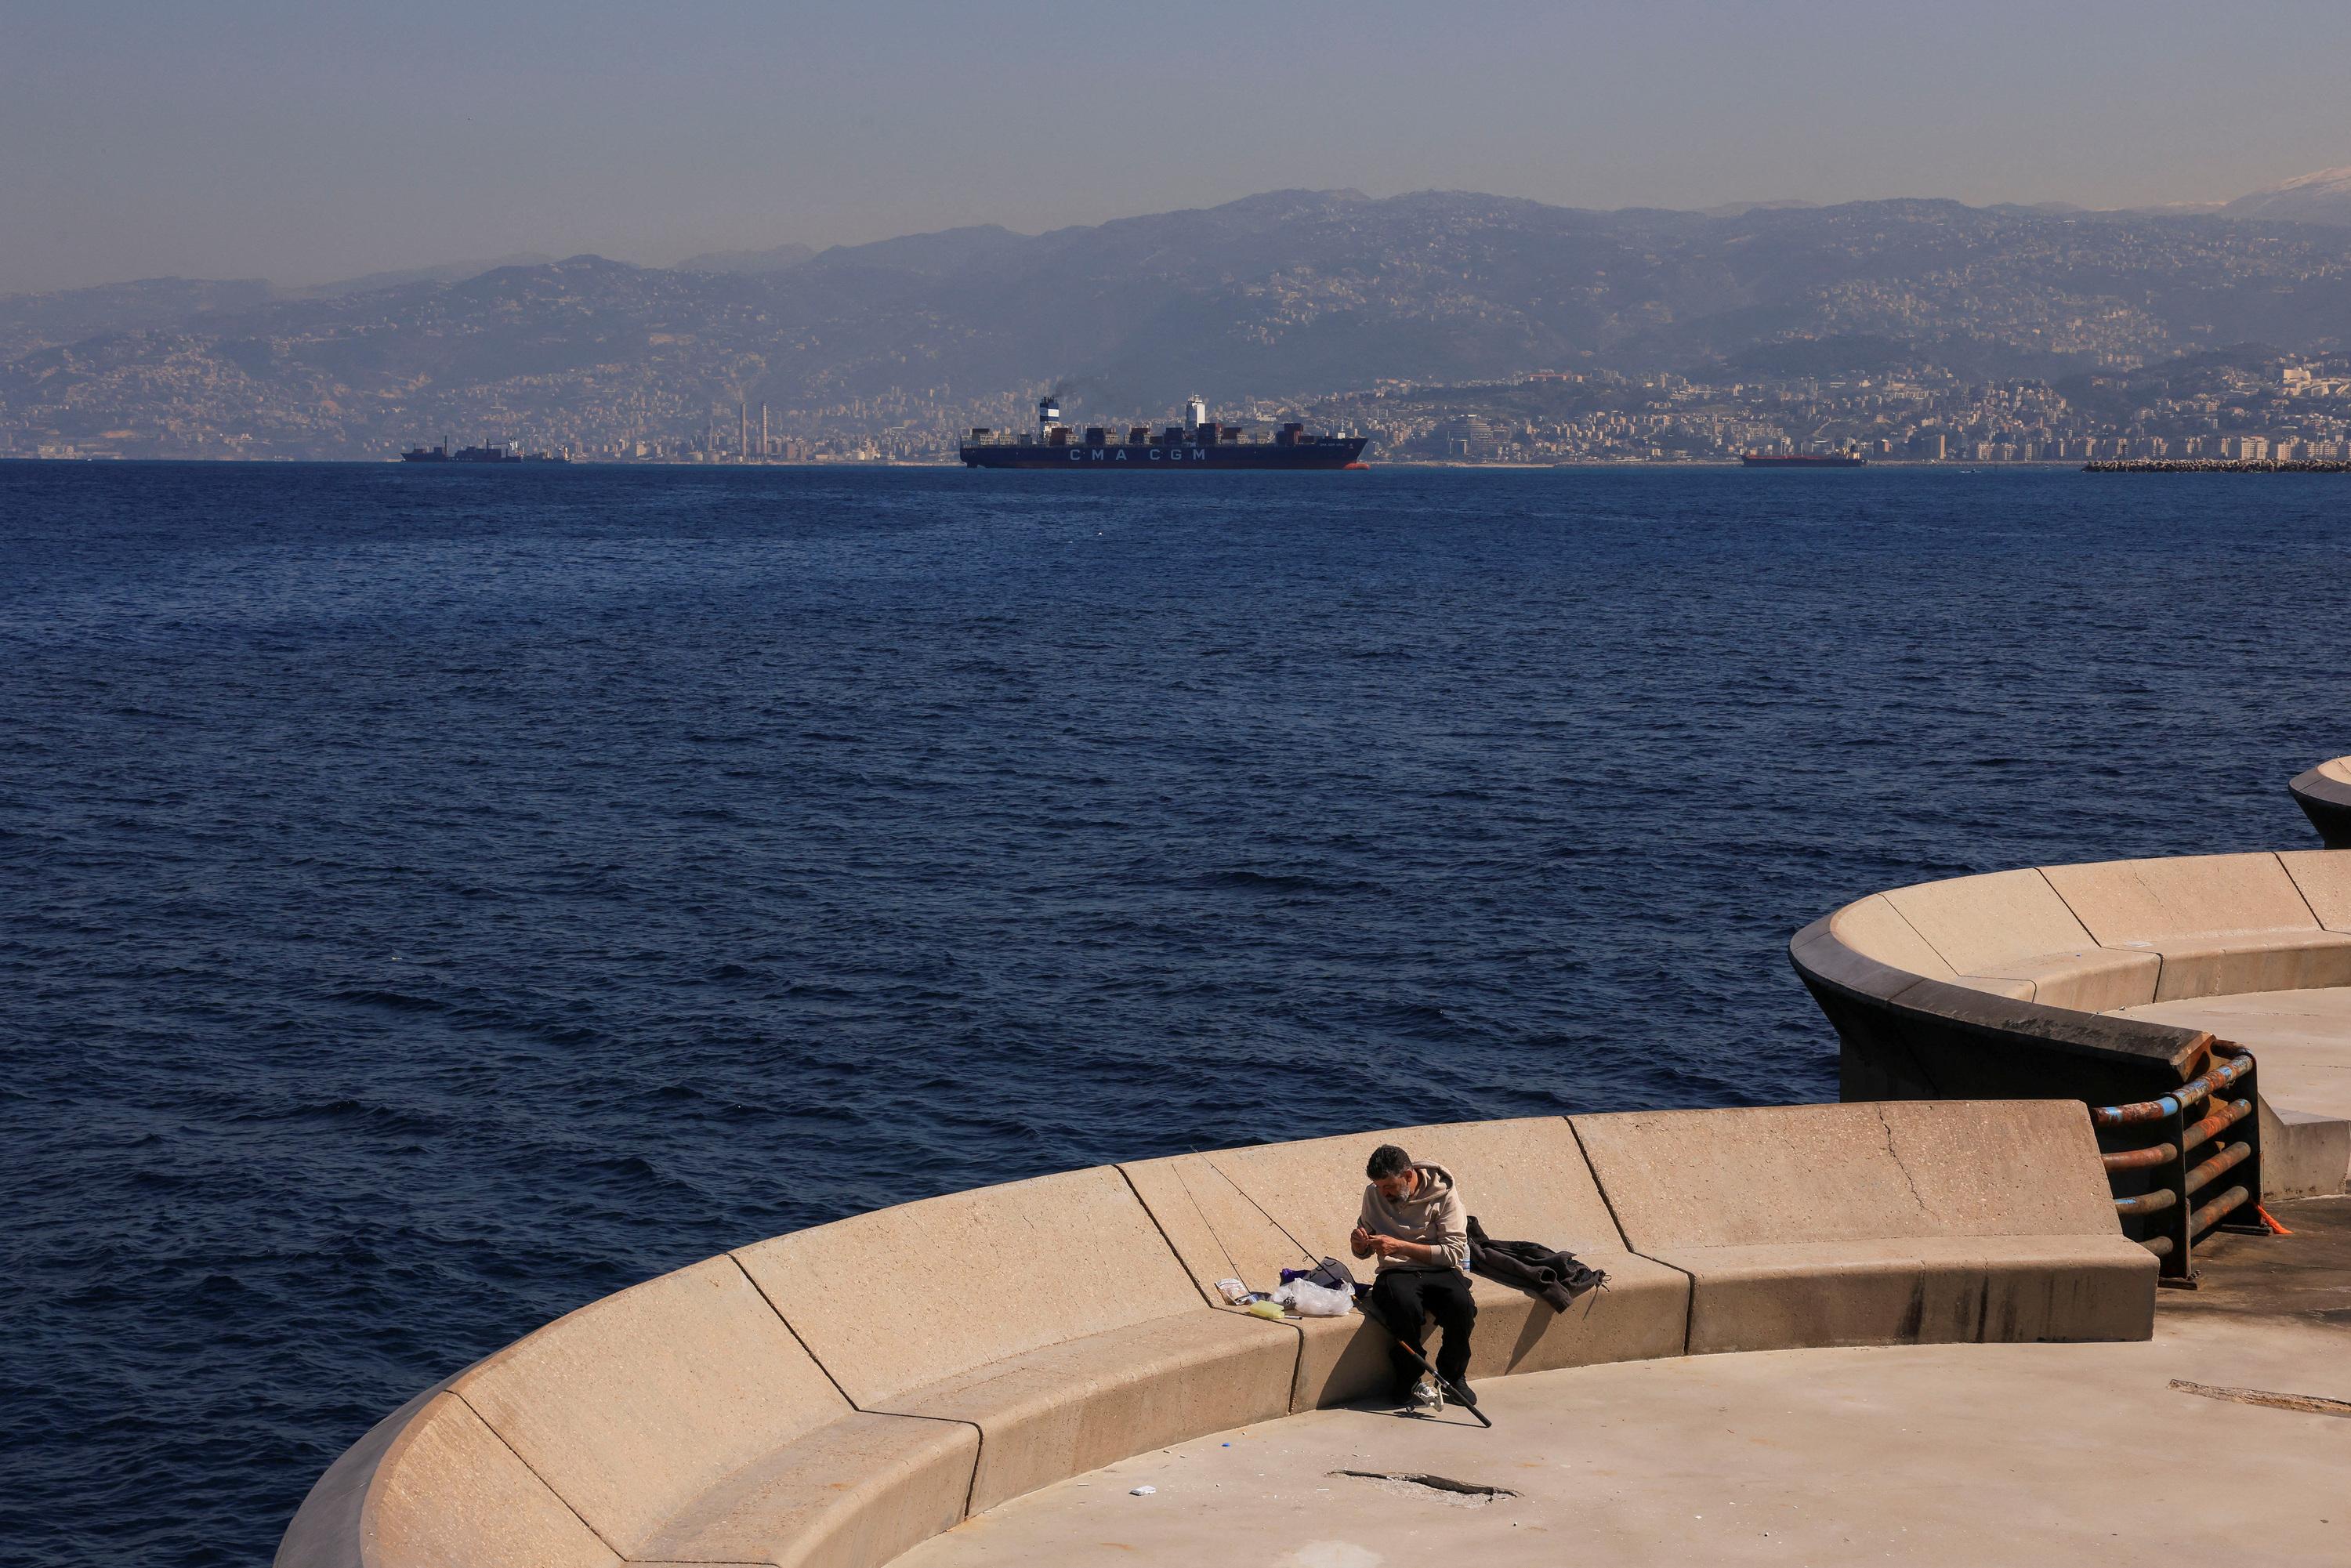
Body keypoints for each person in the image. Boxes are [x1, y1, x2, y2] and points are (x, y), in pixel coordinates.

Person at [1349, 1143, 1476, 1412]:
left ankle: (1453, 1376)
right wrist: (1360, 1245)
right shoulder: (1373, 1194)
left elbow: (1453, 1252)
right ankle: (1408, 1378)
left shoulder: (1444, 1193)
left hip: (1439, 1268)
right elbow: (1367, 1247)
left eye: (1389, 1187)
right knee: (1403, 1307)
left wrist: (1400, 1246)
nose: (1383, 1193)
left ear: (1408, 1176)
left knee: (1462, 1307)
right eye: (1379, 1187)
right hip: (1396, 1271)